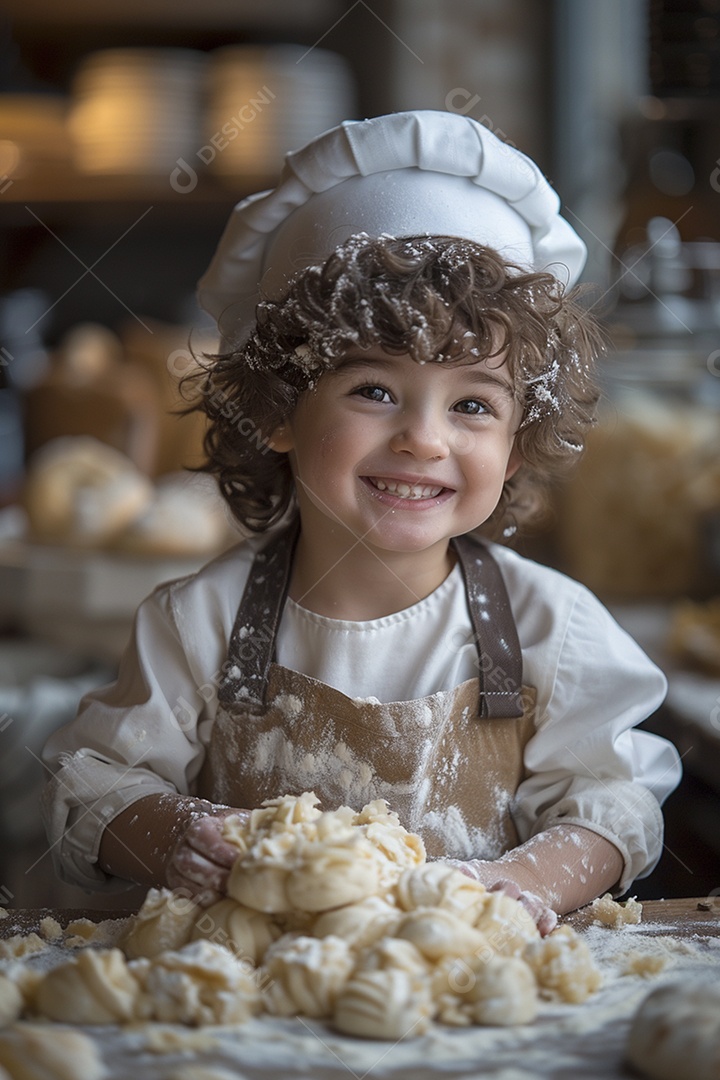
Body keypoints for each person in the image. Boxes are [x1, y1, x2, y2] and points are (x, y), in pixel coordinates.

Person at [41, 111, 681, 933]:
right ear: (277, 410)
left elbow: (616, 804)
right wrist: (177, 837)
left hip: (469, 1018)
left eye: (474, 404)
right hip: (243, 1019)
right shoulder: (198, 622)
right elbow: (93, 782)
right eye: (374, 390)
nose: (423, 437)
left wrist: (525, 880)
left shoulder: (550, 626)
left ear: (517, 446)